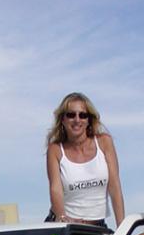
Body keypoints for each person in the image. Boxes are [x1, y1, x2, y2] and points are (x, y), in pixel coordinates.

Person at [46, 92, 125, 227]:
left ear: (89, 120)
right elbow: (55, 190)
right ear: (63, 119)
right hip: (66, 226)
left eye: (83, 115)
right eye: (71, 115)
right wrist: (63, 219)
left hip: (97, 226)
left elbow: (115, 187)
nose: (77, 120)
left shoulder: (104, 142)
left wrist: (122, 228)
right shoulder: (55, 149)